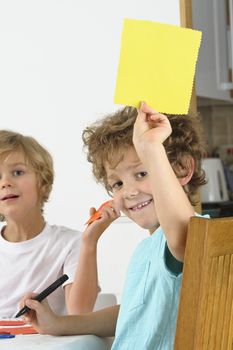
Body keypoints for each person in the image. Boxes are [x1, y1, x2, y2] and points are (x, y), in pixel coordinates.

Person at [21, 102, 206, 349]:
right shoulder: (147, 250)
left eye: (142, 173)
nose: (129, 191)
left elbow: (185, 239)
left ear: (182, 169)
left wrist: (150, 147)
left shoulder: (192, 235)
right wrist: (59, 324)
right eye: (117, 184)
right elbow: (133, 315)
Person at [0, 129, 118, 318]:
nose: (5, 182)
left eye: (17, 172)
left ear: (43, 183)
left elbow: (79, 313)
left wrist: (89, 243)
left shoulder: (70, 243)